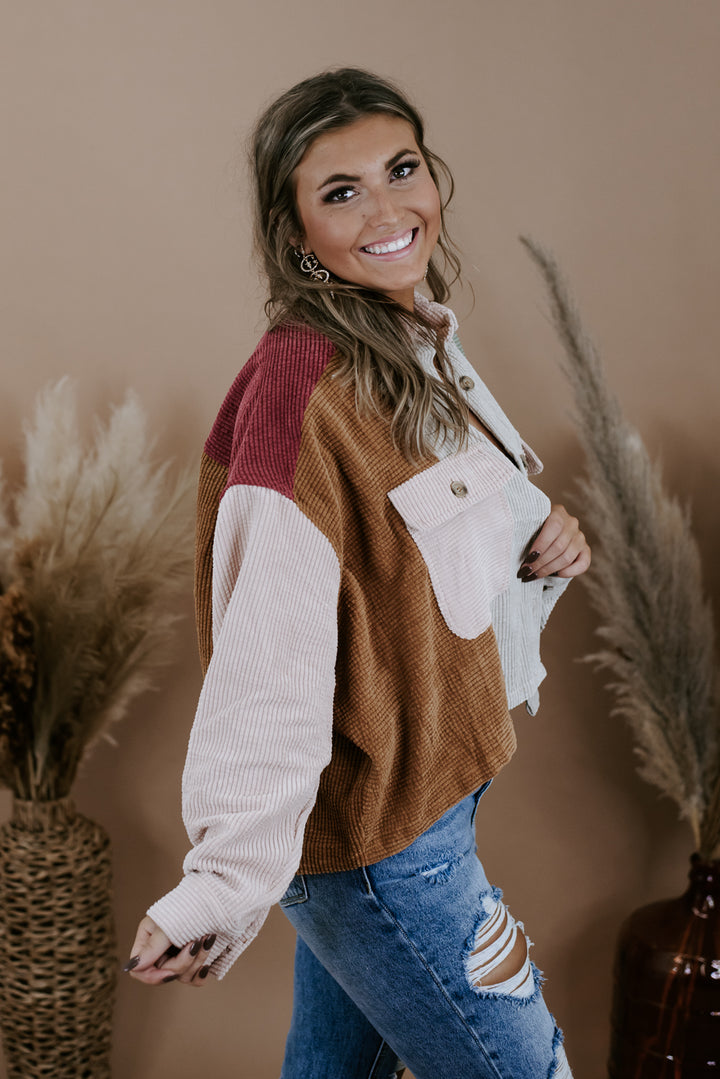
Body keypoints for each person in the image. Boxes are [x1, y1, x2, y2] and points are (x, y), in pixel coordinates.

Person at [125, 67, 590, 1079]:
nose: (388, 210)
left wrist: (542, 535)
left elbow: (425, 538)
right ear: (296, 233)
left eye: (402, 169)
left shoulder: (404, 338)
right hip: (387, 851)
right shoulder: (300, 389)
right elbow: (269, 656)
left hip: (420, 810)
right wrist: (220, 885)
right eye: (342, 191)